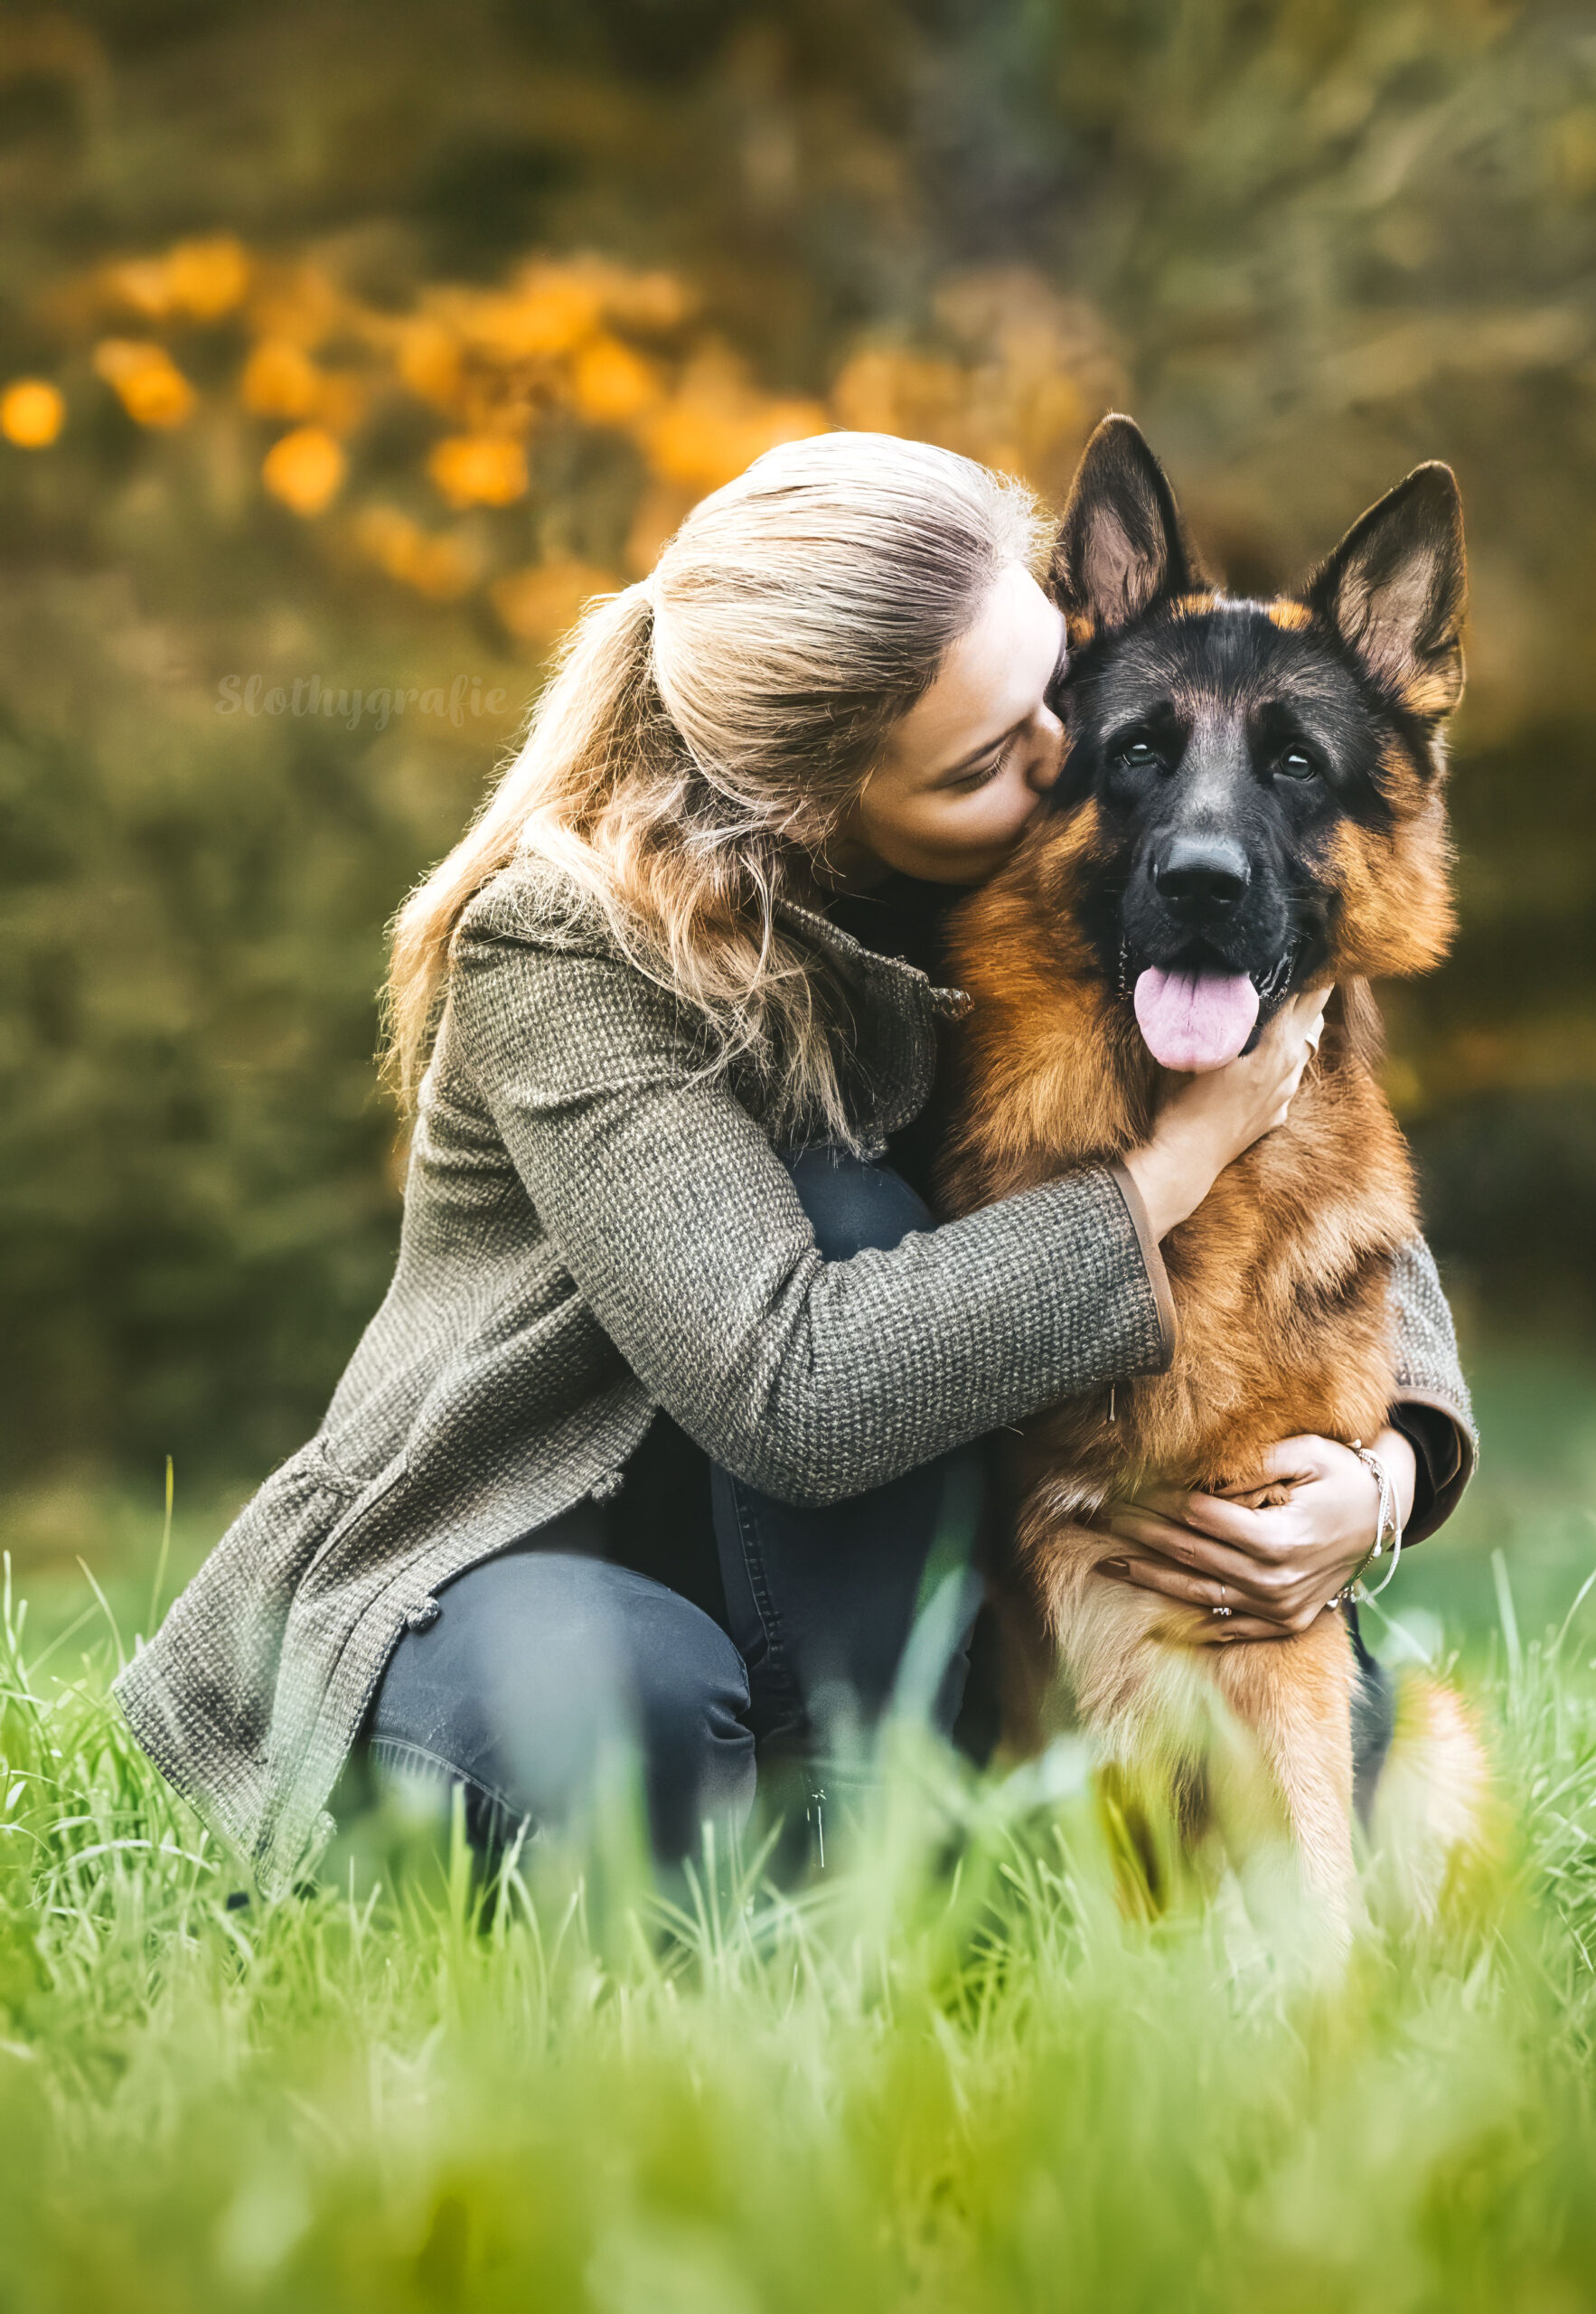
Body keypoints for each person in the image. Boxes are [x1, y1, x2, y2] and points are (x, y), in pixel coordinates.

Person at [115, 433, 1474, 1895]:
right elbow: (800, 1394)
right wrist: (1168, 1172)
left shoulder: (1029, 878)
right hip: (549, 1545)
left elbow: (1325, 1183)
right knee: (641, 1684)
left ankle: (884, 1860)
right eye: (989, 757)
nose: (1062, 766)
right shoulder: (567, 947)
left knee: (1335, 1731)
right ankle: (794, 1895)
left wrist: (1387, 1471)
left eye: (1055, 705)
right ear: (817, 796)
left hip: (865, 1593)